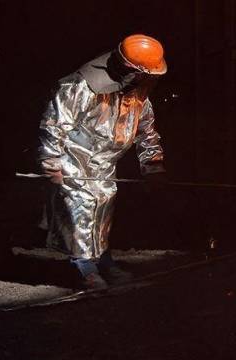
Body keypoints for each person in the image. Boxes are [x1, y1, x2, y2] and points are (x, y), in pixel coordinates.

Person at [38, 34, 168, 289]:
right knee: (80, 211)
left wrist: (153, 165)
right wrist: (51, 162)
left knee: (102, 210)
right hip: (73, 159)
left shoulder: (137, 96)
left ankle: (103, 260)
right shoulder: (79, 87)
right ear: (132, 69)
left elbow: (146, 131)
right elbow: (54, 124)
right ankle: (84, 268)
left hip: (104, 165)